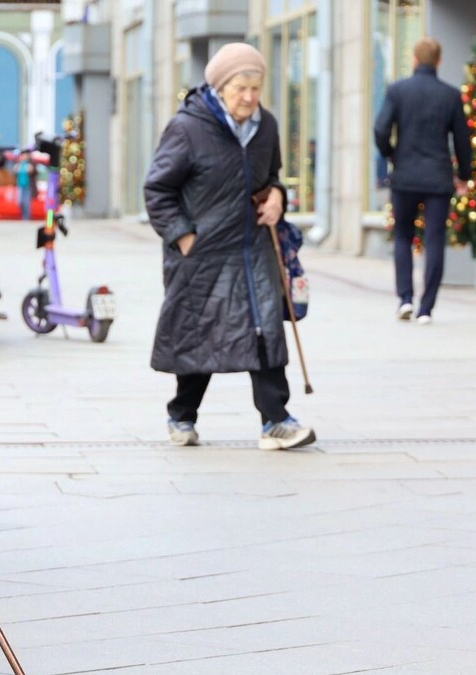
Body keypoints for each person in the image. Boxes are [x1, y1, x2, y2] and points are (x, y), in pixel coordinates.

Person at [144, 43, 316, 451]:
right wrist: (184, 237)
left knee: (265, 331)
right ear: (220, 87)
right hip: (202, 254)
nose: (250, 97)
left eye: (256, 88)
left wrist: (277, 196)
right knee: (199, 337)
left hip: (253, 248)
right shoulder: (187, 129)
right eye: (241, 87)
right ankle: (181, 415)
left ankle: (275, 420)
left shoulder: (267, 127)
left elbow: (270, 177)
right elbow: (157, 189)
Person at [374, 37, 472, 324]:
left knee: (403, 237)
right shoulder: (451, 95)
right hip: (438, 180)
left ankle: (405, 299)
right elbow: (463, 141)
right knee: (434, 240)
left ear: (415, 60)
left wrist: (391, 154)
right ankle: (426, 308)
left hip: (404, 176)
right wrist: (464, 176)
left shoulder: (397, 91)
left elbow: (380, 129)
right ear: (438, 62)